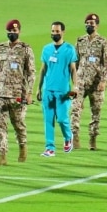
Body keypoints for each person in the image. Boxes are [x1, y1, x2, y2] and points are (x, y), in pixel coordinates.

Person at [0, 19, 35, 165]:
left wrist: (29, 93)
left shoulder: (25, 49)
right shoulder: (0, 48)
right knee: (0, 126)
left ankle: (23, 146)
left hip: (18, 94)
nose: (12, 33)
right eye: (10, 31)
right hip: (0, 93)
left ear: (19, 32)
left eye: (15, 31)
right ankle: (2, 155)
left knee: (18, 124)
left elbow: (31, 73)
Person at [72, 13, 107, 151]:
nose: (89, 25)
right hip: (81, 81)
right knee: (75, 109)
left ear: (97, 25)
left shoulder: (102, 42)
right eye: (87, 23)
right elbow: (74, 62)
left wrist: (103, 81)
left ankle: (92, 138)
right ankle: (75, 136)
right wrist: (74, 81)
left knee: (96, 112)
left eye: (92, 23)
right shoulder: (80, 41)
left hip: (96, 83)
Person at [38, 22, 78, 157]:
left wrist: (75, 86)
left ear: (63, 32)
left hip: (63, 92)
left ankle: (68, 137)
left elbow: (73, 70)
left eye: (57, 31)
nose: (55, 34)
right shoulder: (46, 49)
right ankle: (50, 148)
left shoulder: (69, 49)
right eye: (53, 31)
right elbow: (43, 70)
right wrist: (38, 88)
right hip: (48, 90)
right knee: (48, 120)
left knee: (61, 119)